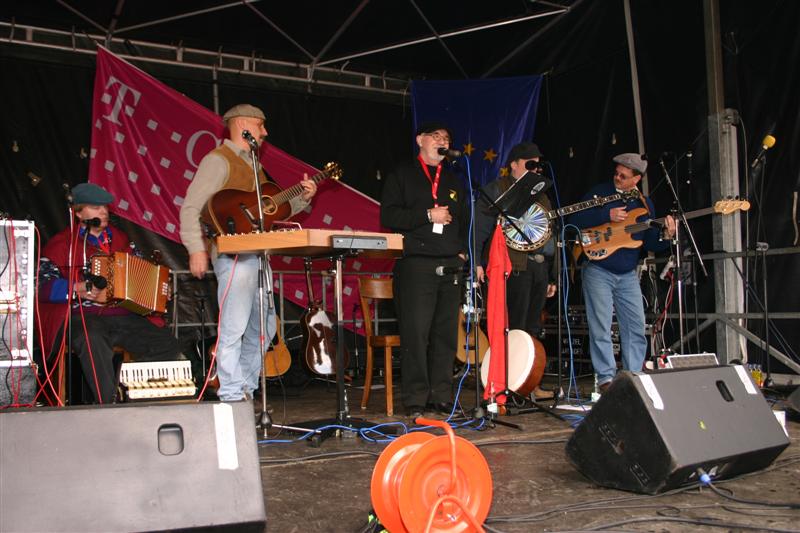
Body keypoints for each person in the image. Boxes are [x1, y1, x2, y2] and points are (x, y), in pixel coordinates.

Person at [179, 103, 317, 402]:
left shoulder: (255, 165)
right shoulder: (218, 160)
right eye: (260, 125)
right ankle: (230, 393)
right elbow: (190, 207)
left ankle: (245, 389)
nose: (265, 132)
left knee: (264, 327)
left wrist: (303, 199)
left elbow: (271, 210)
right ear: (242, 125)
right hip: (234, 256)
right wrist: (196, 248)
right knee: (235, 326)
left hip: (258, 255)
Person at [38, 183, 181, 404]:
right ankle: (109, 403)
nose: (103, 212)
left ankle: (132, 395)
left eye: (105, 207)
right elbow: (42, 287)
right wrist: (75, 288)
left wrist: (159, 290)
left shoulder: (122, 240)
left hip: (123, 316)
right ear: (78, 213)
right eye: (96, 208)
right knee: (91, 338)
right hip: (83, 317)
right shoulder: (62, 244)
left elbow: (143, 275)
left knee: (166, 343)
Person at [380, 122, 469, 418]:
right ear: (420, 140)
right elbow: (388, 216)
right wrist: (427, 215)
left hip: (450, 264)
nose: (442, 141)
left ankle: (441, 395)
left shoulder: (454, 180)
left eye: (446, 138)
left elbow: (464, 220)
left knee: (446, 334)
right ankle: (416, 397)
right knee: (416, 334)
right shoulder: (402, 174)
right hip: (416, 263)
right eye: (436, 136)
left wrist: (462, 251)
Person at [568, 153, 675, 392]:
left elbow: (649, 243)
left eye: (623, 176)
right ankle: (605, 379)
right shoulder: (600, 193)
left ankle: (632, 376)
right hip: (598, 268)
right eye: (616, 173)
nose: (617, 178)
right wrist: (605, 215)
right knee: (601, 326)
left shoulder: (644, 204)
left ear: (636, 179)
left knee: (635, 325)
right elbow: (573, 220)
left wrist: (667, 236)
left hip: (627, 273)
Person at [474, 142, 556, 399]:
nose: (535, 169)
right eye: (529, 164)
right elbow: (480, 227)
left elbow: (548, 235)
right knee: (514, 328)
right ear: (514, 164)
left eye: (538, 165)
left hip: (538, 268)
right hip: (513, 267)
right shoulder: (498, 189)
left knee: (533, 328)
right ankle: (507, 383)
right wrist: (476, 261)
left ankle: (530, 384)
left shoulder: (542, 194)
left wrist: (553, 275)